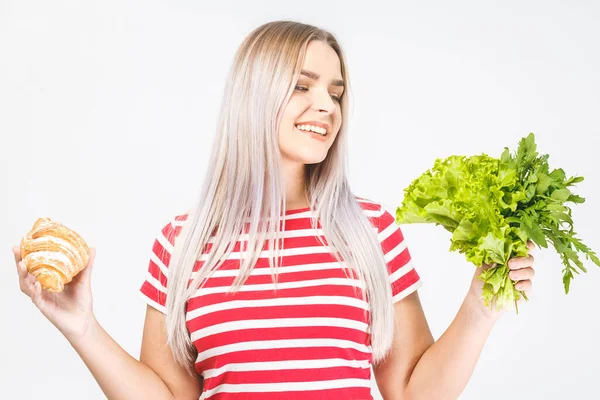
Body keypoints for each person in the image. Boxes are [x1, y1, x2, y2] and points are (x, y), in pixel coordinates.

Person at [13, 20, 536, 400]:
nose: (328, 106)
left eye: (336, 92)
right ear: (255, 95)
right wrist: (81, 326)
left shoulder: (371, 231)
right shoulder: (184, 242)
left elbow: (412, 393)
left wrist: (479, 309)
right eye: (302, 86)